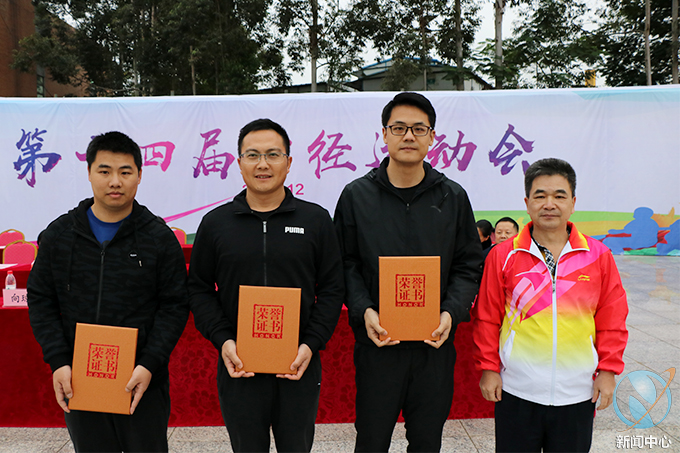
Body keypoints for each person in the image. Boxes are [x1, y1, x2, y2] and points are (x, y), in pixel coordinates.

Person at [334, 92, 483, 452]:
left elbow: (468, 264)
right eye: (399, 128)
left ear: (432, 137)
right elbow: (343, 263)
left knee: (427, 441)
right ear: (384, 134)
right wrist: (364, 310)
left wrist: (451, 312)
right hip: (378, 343)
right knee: (371, 440)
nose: (409, 136)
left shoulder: (452, 197)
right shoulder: (356, 196)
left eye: (419, 129)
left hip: (434, 344)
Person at [188, 119, 344, 452]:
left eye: (273, 154)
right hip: (239, 366)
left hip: (298, 365)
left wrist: (311, 344)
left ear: (288, 162)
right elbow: (199, 289)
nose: (263, 164)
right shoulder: (215, 224)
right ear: (239, 162)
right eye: (253, 155)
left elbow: (332, 288)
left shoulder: (315, 220)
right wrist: (223, 340)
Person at [27, 131, 190, 452]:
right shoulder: (60, 235)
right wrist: (58, 360)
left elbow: (175, 305)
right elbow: (41, 298)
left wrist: (150, 363)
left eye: (125, 172)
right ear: (89, 172)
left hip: (142, 381)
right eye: (105, 171)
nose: (115, 181)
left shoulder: (158, 238)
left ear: (139, 175)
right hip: (81, 379)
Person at [472, 158, 628, 452]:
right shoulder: (503, 255)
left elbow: (612, 318)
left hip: (577, 392)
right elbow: (487, 316)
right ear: (527, 203)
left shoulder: (598, 255)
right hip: (517, 390)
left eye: (559, 196)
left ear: (573, 203)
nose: (549, 204)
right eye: (540, 196)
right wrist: (489, 368)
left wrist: (608, 371)